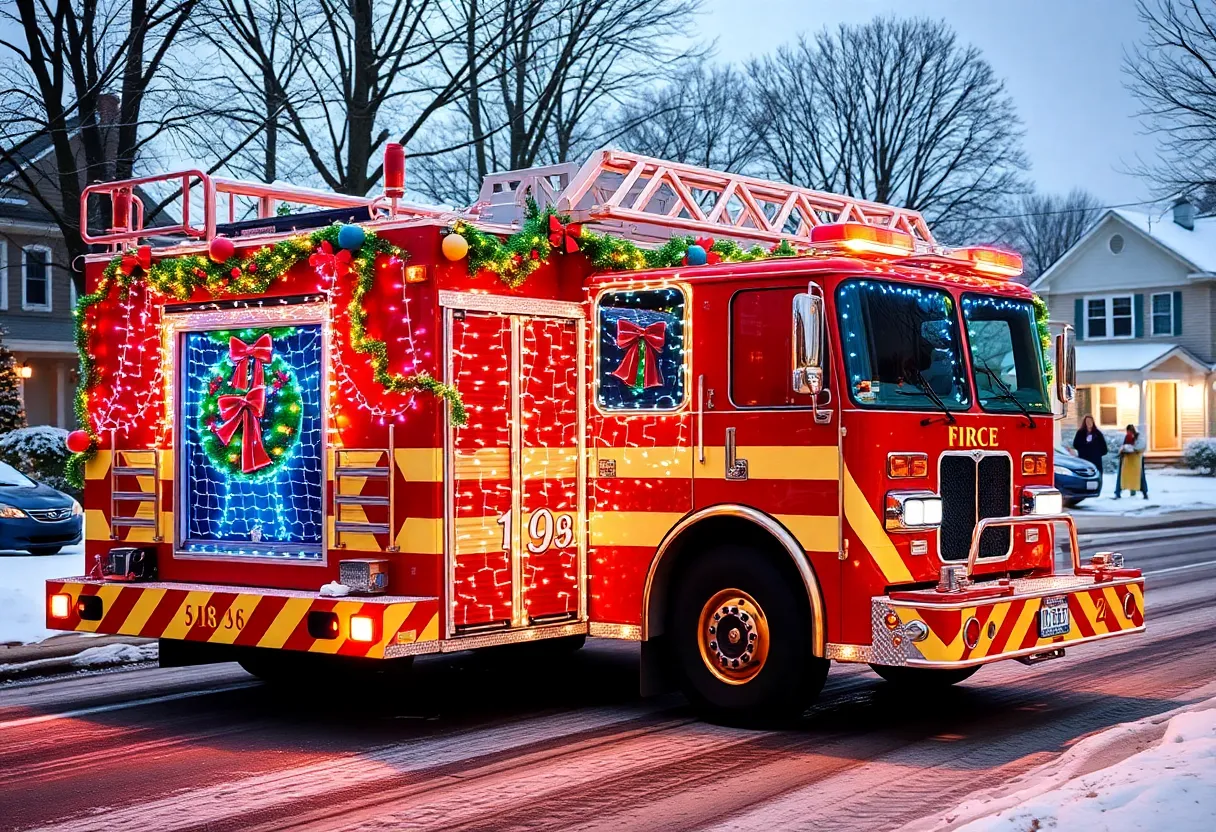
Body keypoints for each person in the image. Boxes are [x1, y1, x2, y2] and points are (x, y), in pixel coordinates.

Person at [1072, 415, 1108, 494]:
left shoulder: (1097, 434)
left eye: (1090, 421)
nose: (1089, 423)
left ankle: (1097, 490)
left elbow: (1104, 448)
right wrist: (1084, 447)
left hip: (1095, 460)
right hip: (1084, 459)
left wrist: (1097, 453)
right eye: (1087, 421)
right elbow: (1075, 444)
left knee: (1096, 475)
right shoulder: (1080, 433)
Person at [1115, 424, 1148, 499]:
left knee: (1139, 477)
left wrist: (1132, 449)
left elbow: (1141, 446)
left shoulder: (1138, 437)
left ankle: (1143, 493)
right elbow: (1123, 446)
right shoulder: (1127, 437)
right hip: (1127, 460)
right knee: (1125, 477)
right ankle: (1118, 492)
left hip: (1136, 460)